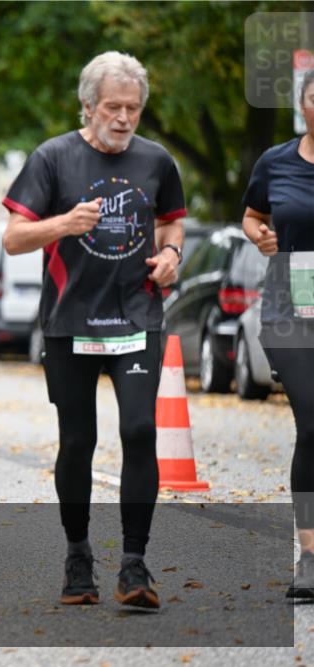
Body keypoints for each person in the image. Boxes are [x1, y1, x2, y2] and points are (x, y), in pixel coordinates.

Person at [2, 52, 185, 609]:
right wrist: (64, 223)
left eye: (133, 108)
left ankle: (135, 563)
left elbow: (171, 218)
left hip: (136, 318)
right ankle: (78, 557)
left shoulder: (157, 161)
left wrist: (173, 252)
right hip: (70, 322)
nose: (125, 117)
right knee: (78, 441)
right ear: (88, 106)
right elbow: (13, 237)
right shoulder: (52, 158)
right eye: (113, 107)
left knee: (139, 431)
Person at [241, 68, 314, 600]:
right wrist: (261, 237)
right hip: (291, 306)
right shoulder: (277, 162)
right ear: (303, 104)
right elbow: (251, 215)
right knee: (312, 422)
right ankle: (311, 557)